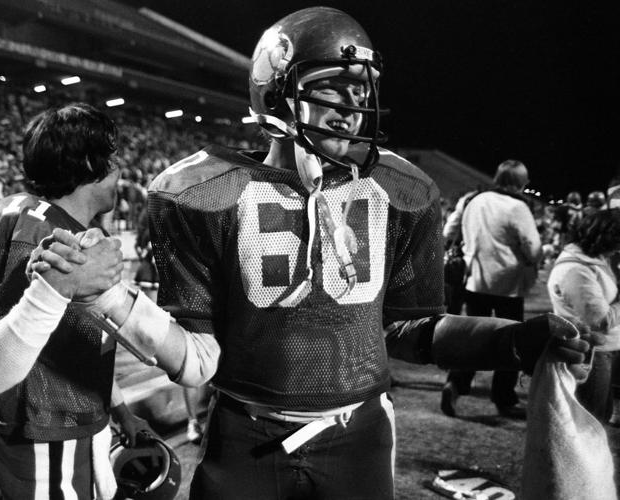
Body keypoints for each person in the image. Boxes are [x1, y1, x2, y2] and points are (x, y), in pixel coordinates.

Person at [33, 8, 597, 499]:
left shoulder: (400, 192)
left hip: (358, 435)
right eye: (334, 86)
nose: (352, 107)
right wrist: (112, 297)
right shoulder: (202, 194)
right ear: (276, 91)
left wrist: (513, 341)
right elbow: (195, 352)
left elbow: (412, 330)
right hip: (245, 429)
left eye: (361, 90)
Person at [0, 103, 156, 499]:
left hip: (65, 421)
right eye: (113, 158)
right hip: (50, 428)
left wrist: (118, 410)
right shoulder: (49, 236)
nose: (118, 171)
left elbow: (74, 345)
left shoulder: (21, 213)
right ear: (89, 163)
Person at [441, 159, 542, 419]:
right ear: (520, 182)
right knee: (512, 341)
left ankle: (456, 383)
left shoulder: (472, 199)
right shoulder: (517, 207)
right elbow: (533, 248)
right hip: (508, 284)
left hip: (474, 279)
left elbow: (449, 230)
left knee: (474, 337)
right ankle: (504, 397)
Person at [547, 209, 620, 423]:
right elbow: (599, 321)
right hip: (592, 353)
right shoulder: (576, 270)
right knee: (590, 420)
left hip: (600, 351)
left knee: (600, 415)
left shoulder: (591, 259)